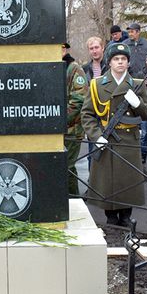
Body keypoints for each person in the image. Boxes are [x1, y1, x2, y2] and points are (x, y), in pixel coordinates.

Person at [81, 43, 147, 226]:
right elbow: (87, 114)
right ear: (109, 62)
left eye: (123, 59)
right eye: (116, 59)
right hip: (107, 138)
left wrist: (137, 104)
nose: (120, 62)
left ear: (128, 63)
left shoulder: (136, 84)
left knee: (127, 180)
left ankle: (126, 216)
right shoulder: (97, 85)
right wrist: (96, 136)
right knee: (108, 180)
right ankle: (111, 217)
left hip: (129, 140)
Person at [62, 42, 88, 195]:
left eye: (61, 48)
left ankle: (74, 199)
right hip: (58, 129)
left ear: (65, 50)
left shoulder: (74, 69)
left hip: (72, 128)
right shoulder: (53, 66)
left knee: (68, 166)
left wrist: (60, 120)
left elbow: (79, 99)